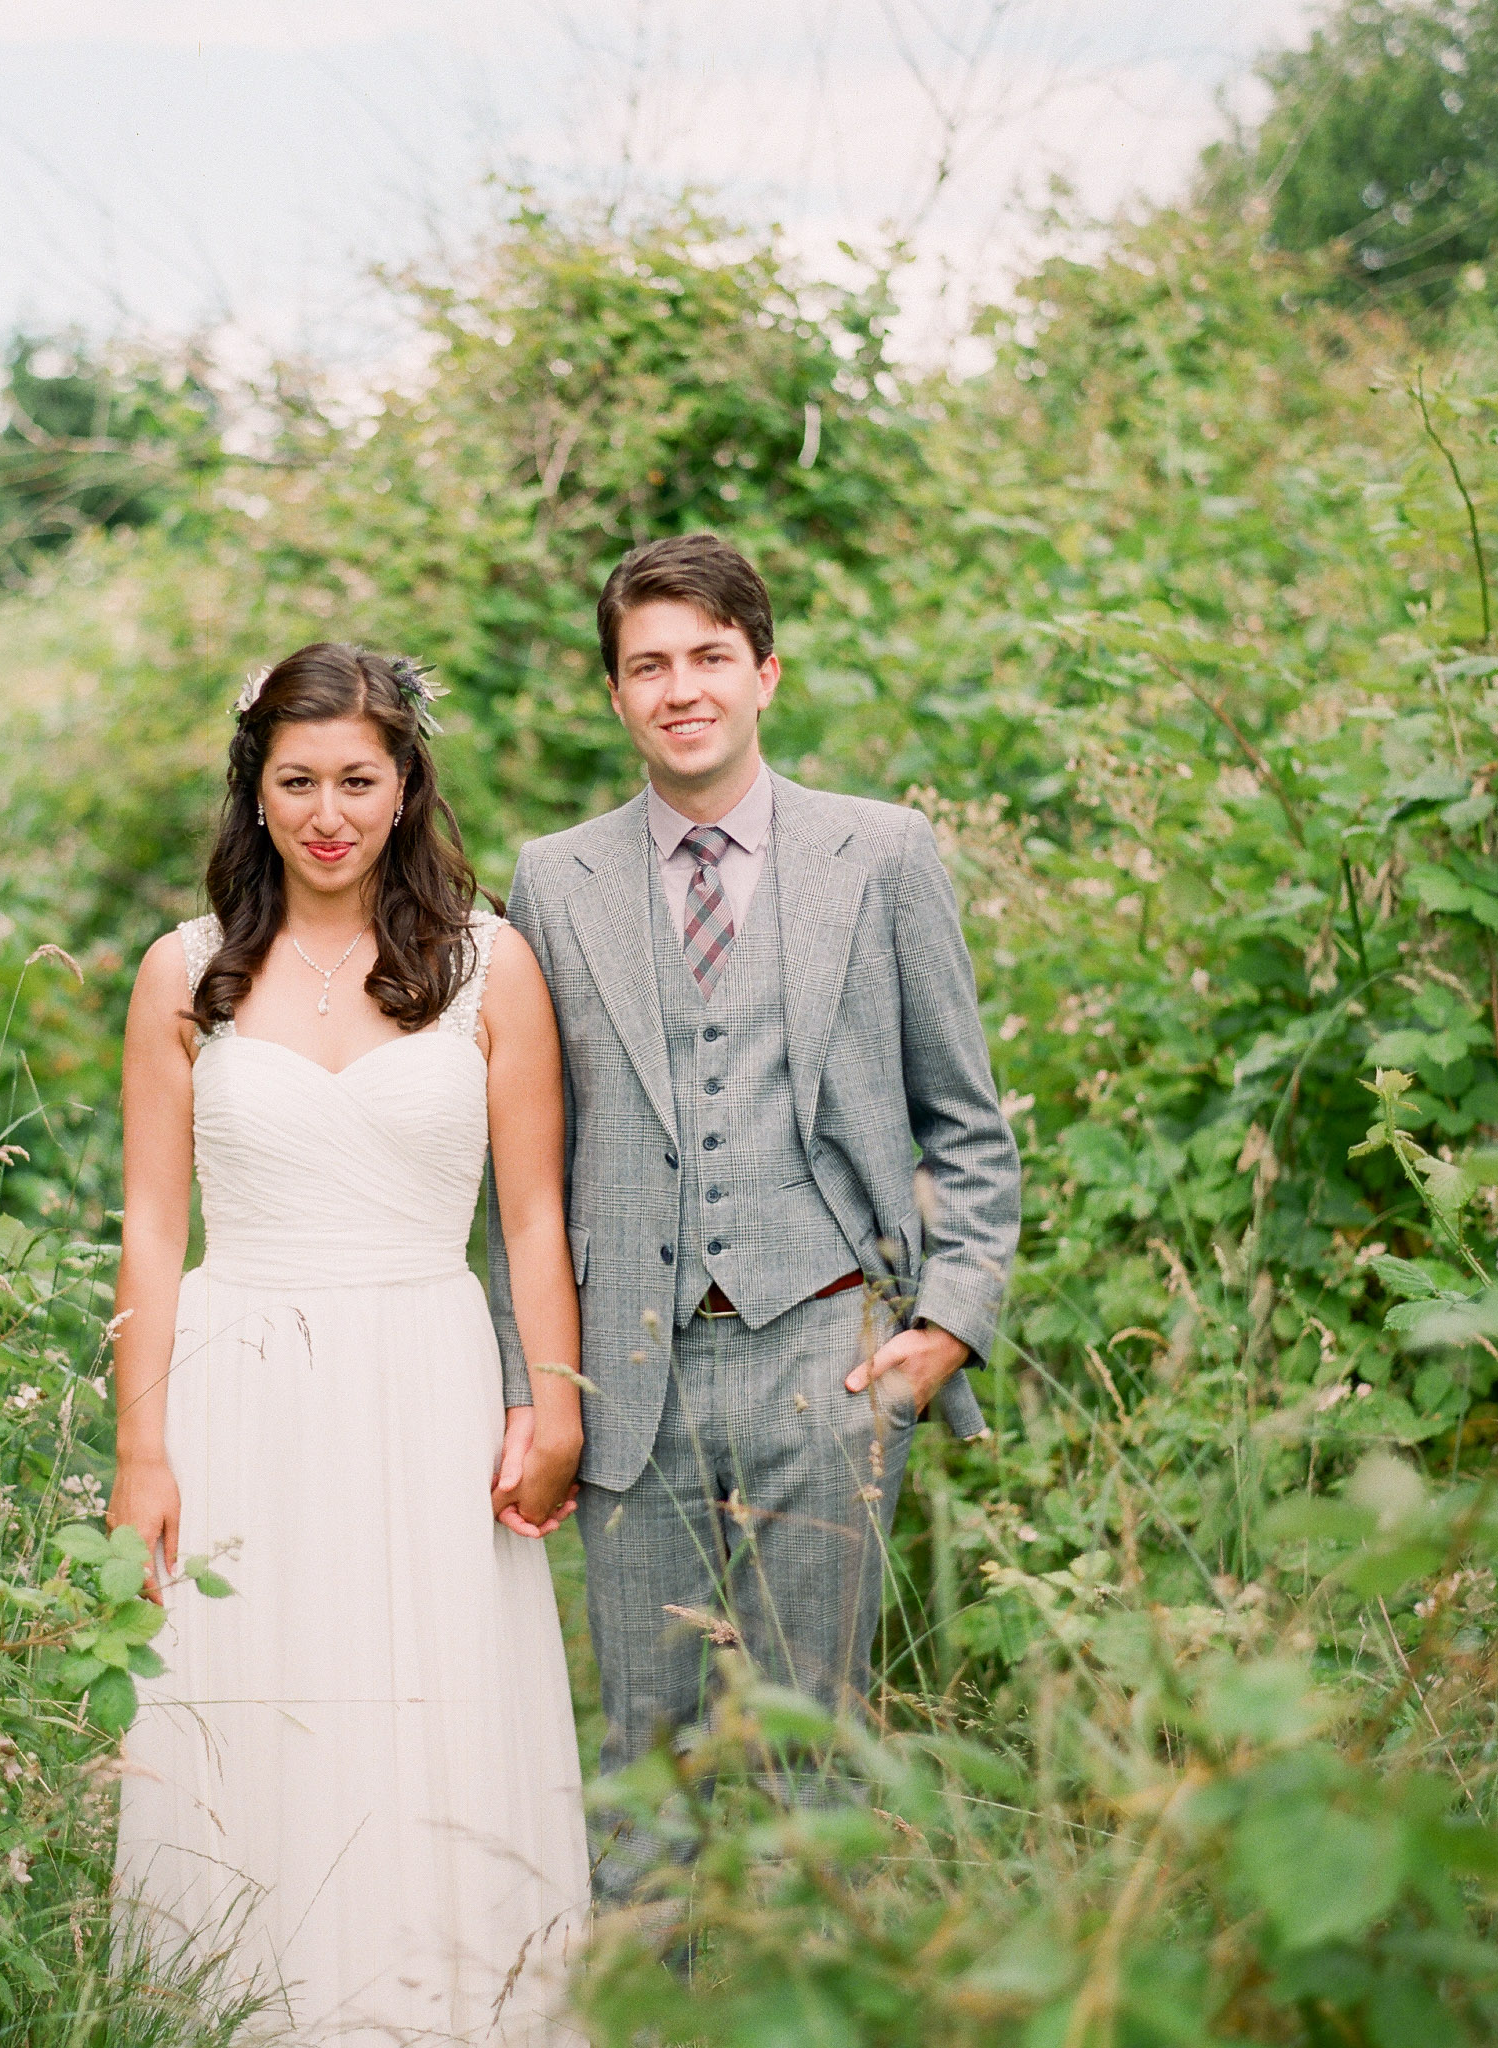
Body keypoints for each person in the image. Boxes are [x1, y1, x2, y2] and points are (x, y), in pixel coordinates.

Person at [485, 532, 1021, 1905]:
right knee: (640, 1770)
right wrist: (532, 1390)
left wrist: (950, 1325)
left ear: (764, 672)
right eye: (648, 665)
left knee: (814, 1762)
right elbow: (524, 1172)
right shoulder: (555, 878)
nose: (682, 688)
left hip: (825, 1358)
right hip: (627, 1378)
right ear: (613, 695)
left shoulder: (883, 853)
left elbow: (967, 1120)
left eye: (710, 658)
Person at [107, 643, 593, 2041]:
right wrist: (142, 1451)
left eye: (359, 780)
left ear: (405, 785)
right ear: (254, 795)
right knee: (251, 1706)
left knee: (427, 1717)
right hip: (238, 1381)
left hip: (426, 1381)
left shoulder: (491, 966)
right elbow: (150, 1229)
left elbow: (536, 1214)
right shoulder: (182, 976)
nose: (330, 811)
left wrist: (549, 1402)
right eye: (298, 780)